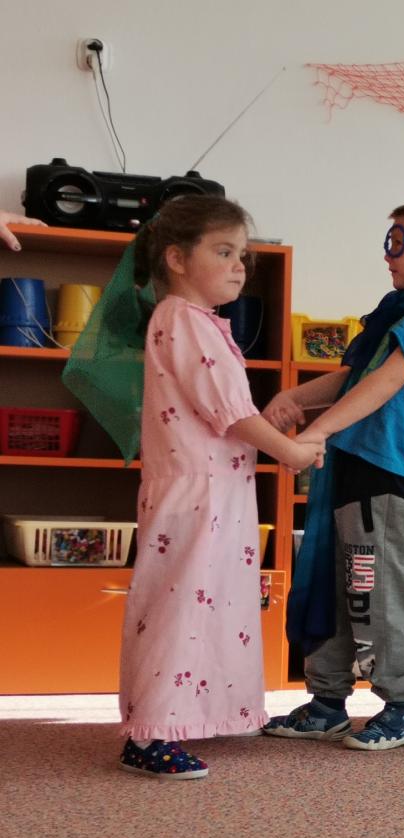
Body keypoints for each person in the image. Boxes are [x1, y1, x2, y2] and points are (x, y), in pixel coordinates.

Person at [115, 195, 324, 779]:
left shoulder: (191, 320)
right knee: (182, 604)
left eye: (243, 255)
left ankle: (197, 713)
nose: (239, 267)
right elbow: (229, 412)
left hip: (215, 490)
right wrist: (290, 452)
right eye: (224, 252)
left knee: (212, 600)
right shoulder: (183, 319)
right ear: (177, 258)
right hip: (197, 493)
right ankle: (151, 733)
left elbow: (226, 408)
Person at [262, 200, 404, 750]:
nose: (388, 255)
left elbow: (385, 382)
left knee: (377, 594)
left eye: (397, 242)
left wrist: (316, 431)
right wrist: (296, 398)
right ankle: (327, 701)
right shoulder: (400, 313)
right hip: (353, 465)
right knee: (337, 588)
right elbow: (356, 377)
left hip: (385, 473)